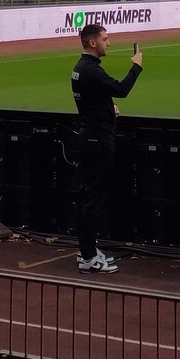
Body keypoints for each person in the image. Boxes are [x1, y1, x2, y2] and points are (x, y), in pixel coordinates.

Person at [71, 22, 143, 274]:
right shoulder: (91, 71)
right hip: (98, 140)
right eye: (104, 38)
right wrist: (137, 66)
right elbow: (120, 89)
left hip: (91, 135)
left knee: (89, 197)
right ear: (93, 43)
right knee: (94, 199)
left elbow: (91, 100)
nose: (108, 42)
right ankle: (89, 256)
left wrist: (106, 109)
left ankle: (87, 251)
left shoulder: (81, 69)